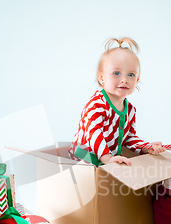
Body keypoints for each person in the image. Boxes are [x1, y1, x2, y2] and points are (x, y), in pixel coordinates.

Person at [69, 37, 165, 166]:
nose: (124, 79)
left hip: (107, 161)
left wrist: (145, 147)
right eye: (116, 73)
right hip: (84, 158)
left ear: (137, 80)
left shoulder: (129, 110)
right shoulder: (97, 105)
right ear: (101, 77)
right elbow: (93, 133)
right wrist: (106, 157)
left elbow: (129, 138)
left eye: (130, 75)